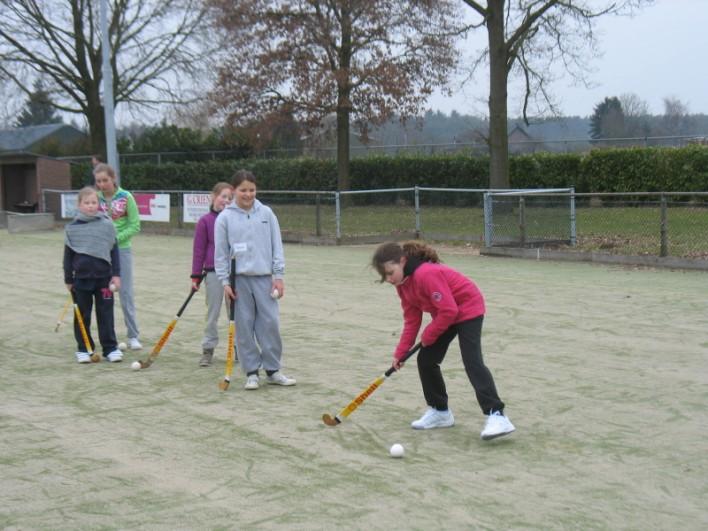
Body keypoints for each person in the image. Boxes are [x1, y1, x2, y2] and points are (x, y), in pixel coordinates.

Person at [371, 241, 515, 440]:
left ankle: (497, 415)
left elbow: (450, 310)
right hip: (445, 314)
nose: (388, 279)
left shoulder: (426, 274)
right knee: (426, 360)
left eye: (390, 272)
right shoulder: (403, 285)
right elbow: (412, 320)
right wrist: (401, 353)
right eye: (384, 276)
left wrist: (429, 334)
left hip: (467, 308)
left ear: (402, 261)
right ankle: (440, 412)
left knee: (472, 361)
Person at [214, 169, 295, 390]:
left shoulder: (267, 214)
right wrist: (225, 282)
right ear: (234, 191)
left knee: (270, 324)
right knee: (244, 328)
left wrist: (278, 276)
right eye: (243, 190)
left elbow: (276, 246)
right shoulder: (224, 219)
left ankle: (273, 369)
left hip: (265, 279)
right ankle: (251, 372)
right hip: (238, 281)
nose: (248, 194)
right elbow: (220, 255)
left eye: (252, 190)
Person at [64, 187, 122, 363]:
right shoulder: (73, 228)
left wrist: (117, 275)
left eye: (93, 202)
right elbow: (68, 256)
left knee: (105, 314)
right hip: (81, 280)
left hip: (104, 278)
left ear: (99, 204)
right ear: (79, 205)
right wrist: (68, 278)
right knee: (82, 315)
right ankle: (84, 348)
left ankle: (110, 348)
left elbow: (114, 251)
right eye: (86, 203)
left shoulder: (107, 224)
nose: (90, 206)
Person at [94, 163, 143, 350]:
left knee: (125, 293)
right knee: (105, 294)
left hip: (121, 250)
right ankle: (109, 337)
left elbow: (135, 225)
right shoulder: (95, 198)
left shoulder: (126, 197)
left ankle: (133, 336)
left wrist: (115, 240)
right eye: (98, 181)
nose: (102, 184)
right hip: (100, 253)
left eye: (105, 180)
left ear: (113, 179)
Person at [191, 181, 234, 367]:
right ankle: (208, 349)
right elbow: (199, 250)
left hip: (234, 274)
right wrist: (195, 275)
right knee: (213, 313)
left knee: (236, 313)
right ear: (213, 197)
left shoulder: (235, 220)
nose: (226, 201)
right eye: (223, 196)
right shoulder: (205, 221)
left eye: (230, 198)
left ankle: (240, 349)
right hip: (213, 273)